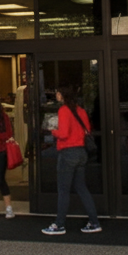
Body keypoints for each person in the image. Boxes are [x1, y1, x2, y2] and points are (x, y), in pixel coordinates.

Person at [42, 86, 101, 235]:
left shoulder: (63, 110)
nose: (56, 95)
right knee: (81, 187)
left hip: (67, 153)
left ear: (62, 95)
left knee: (63, 190)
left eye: (57, 93)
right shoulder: (80, 110)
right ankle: (94, 222)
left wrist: (51, 129)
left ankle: (59, 224)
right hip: (81, 152)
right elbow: (87, 129)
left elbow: (63, 133)